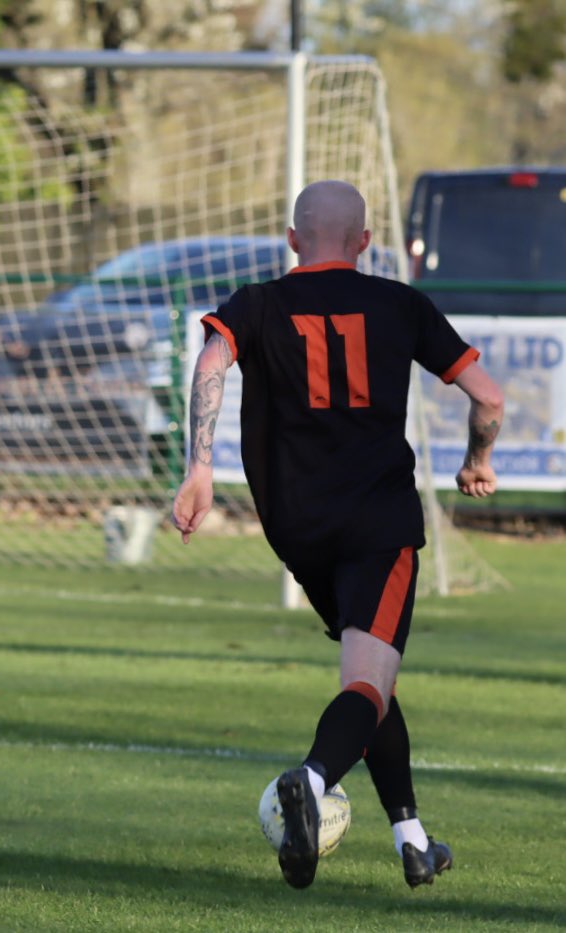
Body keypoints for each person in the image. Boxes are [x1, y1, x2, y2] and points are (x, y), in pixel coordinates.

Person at [172, 180, 503, 890]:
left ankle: (413, 838)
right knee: (366, 680)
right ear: (365, 242)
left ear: (294, 240)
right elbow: (489, 396)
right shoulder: (399, 303)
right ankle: (312, 778)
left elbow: (208, 363)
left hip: (298, 530)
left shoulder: (256, 303)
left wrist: (199, 468)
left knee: (372, 677)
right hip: (377, 526)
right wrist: (478, 459)